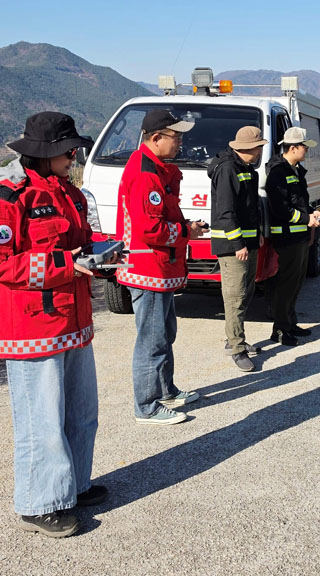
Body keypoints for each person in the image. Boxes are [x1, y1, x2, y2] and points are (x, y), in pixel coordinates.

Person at [0, 111, 106, 538]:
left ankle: (72, 487)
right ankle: (40, 504)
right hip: (32, 327)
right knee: (42, 421)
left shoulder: (67, 192)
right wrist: (68, 264)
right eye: (69, 152)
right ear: (46, 154)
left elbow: (77, 244)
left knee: (82, 414)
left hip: (72, 319)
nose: (74, 157)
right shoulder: (8, 198)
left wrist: (99, 256)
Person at [116, 109, 205, 425]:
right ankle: (147, 405)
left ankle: (165, 390)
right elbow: (149, 230)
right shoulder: (145, 175)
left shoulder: (158, 169)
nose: (180, 143)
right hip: (146, 268)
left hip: (160, 269)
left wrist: (184, 228)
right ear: (155, 138)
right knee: (151, 341)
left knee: (164, 333)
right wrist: (187, 232)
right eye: (176, 136)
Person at [207, 125, 267, 372]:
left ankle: (234, 338)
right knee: (235, 296)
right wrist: (238, 243)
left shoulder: (247, 169)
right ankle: (237, 348)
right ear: (249, 149)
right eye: (259, 147)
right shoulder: (228, 169)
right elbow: (225, 211)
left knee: (245, 293)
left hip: (248, 243)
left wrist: (258, 235)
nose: (261, 151)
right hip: (234, 247)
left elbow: (250, 208)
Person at [265, 126, 320, 345]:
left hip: (299, 237)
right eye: (304, 147)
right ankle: (280, 329)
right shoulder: (278, 173)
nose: (306, 151)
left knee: (296, 283)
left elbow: (299, 201)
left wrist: (311, 212)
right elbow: (280, 209)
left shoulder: (296, 170)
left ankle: (289, 322)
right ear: (293, 147)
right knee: (286, 285)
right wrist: (305, 219)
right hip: (287, 238)